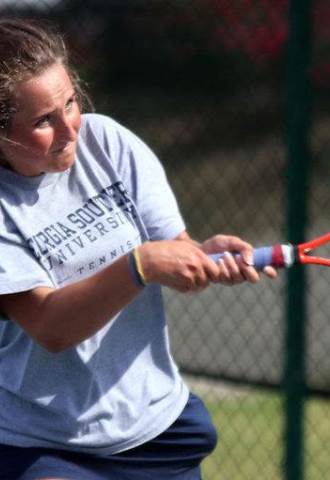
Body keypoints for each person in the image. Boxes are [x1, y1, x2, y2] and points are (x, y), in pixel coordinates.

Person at [0, 18, 276, 480]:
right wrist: (141, 264)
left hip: (157, 429)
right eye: (43, 121)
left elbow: (174, 248)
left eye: (70, 103)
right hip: (45, 447)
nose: (69, 130)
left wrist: (201, 256)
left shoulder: (107, 141)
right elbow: (52, 326)